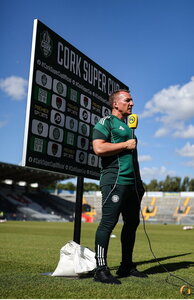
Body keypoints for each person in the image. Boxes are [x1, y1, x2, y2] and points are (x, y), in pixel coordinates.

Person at [92, 89, 147, 284]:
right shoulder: (106, 122)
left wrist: (139, 184)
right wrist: (125, 145)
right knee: (108, 223)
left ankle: (126, 266)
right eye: (127, 100)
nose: (132, 103)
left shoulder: (127, 127)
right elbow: (98, 148)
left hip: (132, 185)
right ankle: (100, 270)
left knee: (132, 224)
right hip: (114, 181)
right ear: (115, 103)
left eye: (132, 100)